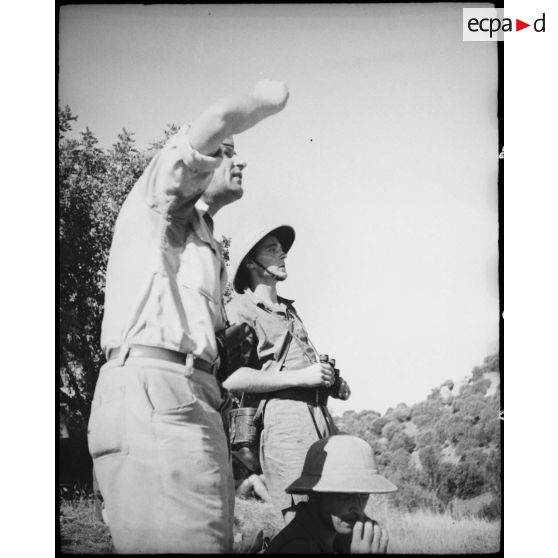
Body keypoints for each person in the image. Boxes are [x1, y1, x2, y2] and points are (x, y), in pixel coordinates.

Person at [87, 80, 289, 554]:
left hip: (186, 397)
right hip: (158, 392)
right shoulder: (155, 203)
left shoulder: (202, 238)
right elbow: (210, 125)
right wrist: (261, 102)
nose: (239, 161)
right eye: (227, 152)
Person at [223, 224, 351, 523]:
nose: (282, 254)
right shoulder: (240, 308)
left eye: (281, 248)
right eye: (271, 249)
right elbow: (232, 378)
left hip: (320, 417)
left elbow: (298, 363)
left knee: (334, 516)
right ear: (251, 263)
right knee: (302, 521)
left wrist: (333, 383)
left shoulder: (289, 311)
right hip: (284, 426)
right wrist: (301, 378)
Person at [264, 434, 397, 554]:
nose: (357, 507)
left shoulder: (331, 538)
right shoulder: (298, 547)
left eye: (363, 495)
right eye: (344, 495)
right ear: (314, 494)